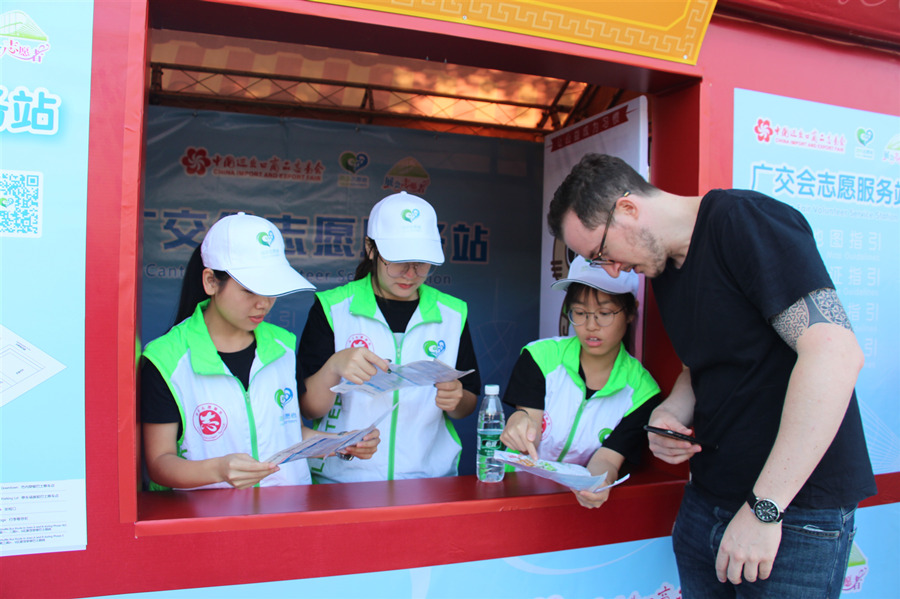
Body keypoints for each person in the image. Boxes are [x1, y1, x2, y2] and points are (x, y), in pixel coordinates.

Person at [547, 153, 876, 597]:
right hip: (707, 499)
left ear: (627, 209)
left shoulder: (743, 221)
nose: (612, 270)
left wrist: (764, 509)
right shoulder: (664, 267)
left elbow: (834, 353)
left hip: (792, 510)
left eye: (602, 253)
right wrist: (671, 412)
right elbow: (702, 363)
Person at [141, 212, 380, 491]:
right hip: (205, 514)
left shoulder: (282, 346)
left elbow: (287, 433)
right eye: (250, 290)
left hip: (286, 508)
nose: (263, 303)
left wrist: (340, 443)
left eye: (272, 289)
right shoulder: (166, 359)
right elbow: (159, 461)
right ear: (211, 282)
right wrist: (217, 470)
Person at [298, 191, 481, 482]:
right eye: (398, 261)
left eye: (422, 263)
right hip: (343, 480)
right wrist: (334, 366)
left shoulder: (452, 313)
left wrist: (456, 398)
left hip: (429, 481)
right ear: (370, 249)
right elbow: (309, 408)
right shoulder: (333, 308)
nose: (410, 273)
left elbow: (467, 402)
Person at [500, 256, 660, 509]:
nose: (591, 326)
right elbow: (529, 425)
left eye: (604, 313)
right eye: (580, 313)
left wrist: (596, 484)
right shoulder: (540, 356)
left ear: (631, 312)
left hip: (575, 504)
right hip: (516, 493)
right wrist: (518, 422)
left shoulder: (643, 391)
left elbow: (608, 459)